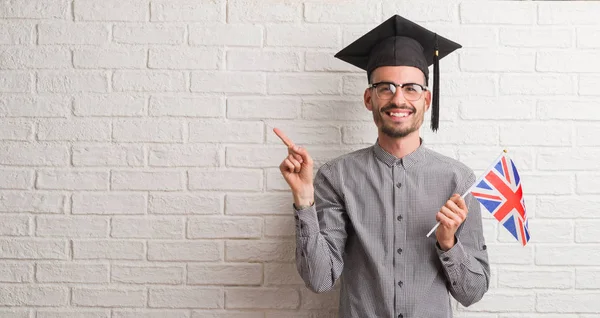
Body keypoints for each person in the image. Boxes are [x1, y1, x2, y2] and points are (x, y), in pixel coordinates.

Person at [274, 15, 490, 318]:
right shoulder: (336, 177)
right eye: (385, 87)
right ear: (369, 98)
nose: (398, 98)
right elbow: (320, 279)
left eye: (411, 88)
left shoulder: (458, 180)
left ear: (427, 100)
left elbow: (473, 293)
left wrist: (448, 242)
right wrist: (305, 200)